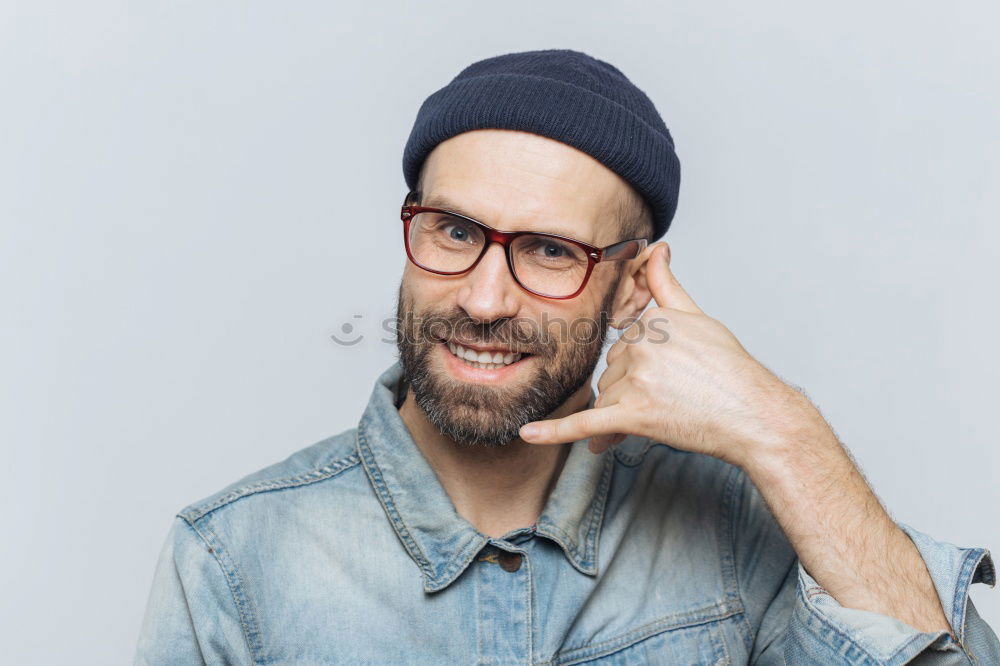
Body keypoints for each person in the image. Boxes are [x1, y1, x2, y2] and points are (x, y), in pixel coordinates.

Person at [134, 49, 998, 665]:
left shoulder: (743, 530)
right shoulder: (234, 557)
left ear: (632, 288)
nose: (482, 298)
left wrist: (783, 430)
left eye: (550, 251)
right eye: (455, 231)